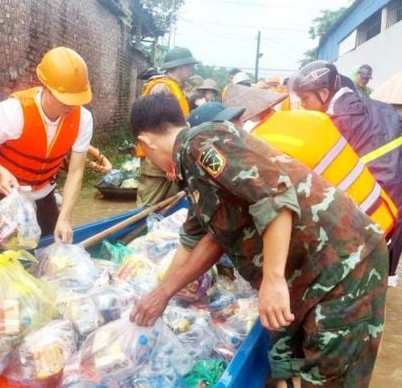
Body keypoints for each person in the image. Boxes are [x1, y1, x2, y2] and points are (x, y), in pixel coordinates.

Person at [129, 94, 387, 387]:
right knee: (284, 368)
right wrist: (161, 293)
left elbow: (274, 196)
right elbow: (202, 241)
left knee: (331, 377)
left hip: (343, 266)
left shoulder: (204, 142)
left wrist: (273, 279)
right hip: (307, 277)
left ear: (146, 141)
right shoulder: (192, 174)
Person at [224, 84, 398, 237]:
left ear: (241, 121)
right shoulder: (314, 117)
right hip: (383, 210)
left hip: (356, 229)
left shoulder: (262, 143)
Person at [290, 60, 402, 285]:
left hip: (374, 209)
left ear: (323, 93)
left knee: (359, 280)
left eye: (305, 99)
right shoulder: (379, 106)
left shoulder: (334, 123)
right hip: (395, 202)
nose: (302, 106)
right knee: (381, 272)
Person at [0, 46, 93, 243]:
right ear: (45, 86)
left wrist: (65, 218)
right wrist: (1, 173)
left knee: (50, 246)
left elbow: (76, 171)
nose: (71, 106)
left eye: (76, 99)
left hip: (44, 191)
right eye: (65, 99)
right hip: (7, 193)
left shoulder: (83, 119)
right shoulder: (13, 112)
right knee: (10, 251)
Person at [136, 46, 197, 206]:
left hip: (168, 158)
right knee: (149, 207)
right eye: (189, 66)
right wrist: (169, 165)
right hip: (158, 159)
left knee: (169, 206)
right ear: (181, 67)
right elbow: (159, 129)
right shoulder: (162, 88)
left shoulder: (173, 87)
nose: (191, 70)